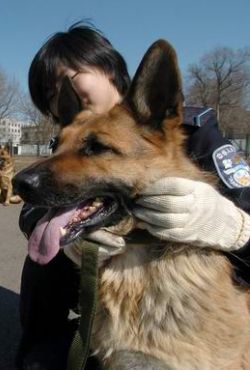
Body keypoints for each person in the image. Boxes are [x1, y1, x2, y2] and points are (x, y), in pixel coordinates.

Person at [17, 23, 250, 369]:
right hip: (109, 292)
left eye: (72, 75)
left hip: (198, 298)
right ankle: (44, 349)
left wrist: (233, 225)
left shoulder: (192, 132)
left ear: (108, 69)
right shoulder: (70, 140)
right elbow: (31, 212)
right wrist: (69, 240)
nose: (62, 94)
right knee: (43, 254)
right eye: (49, 93)